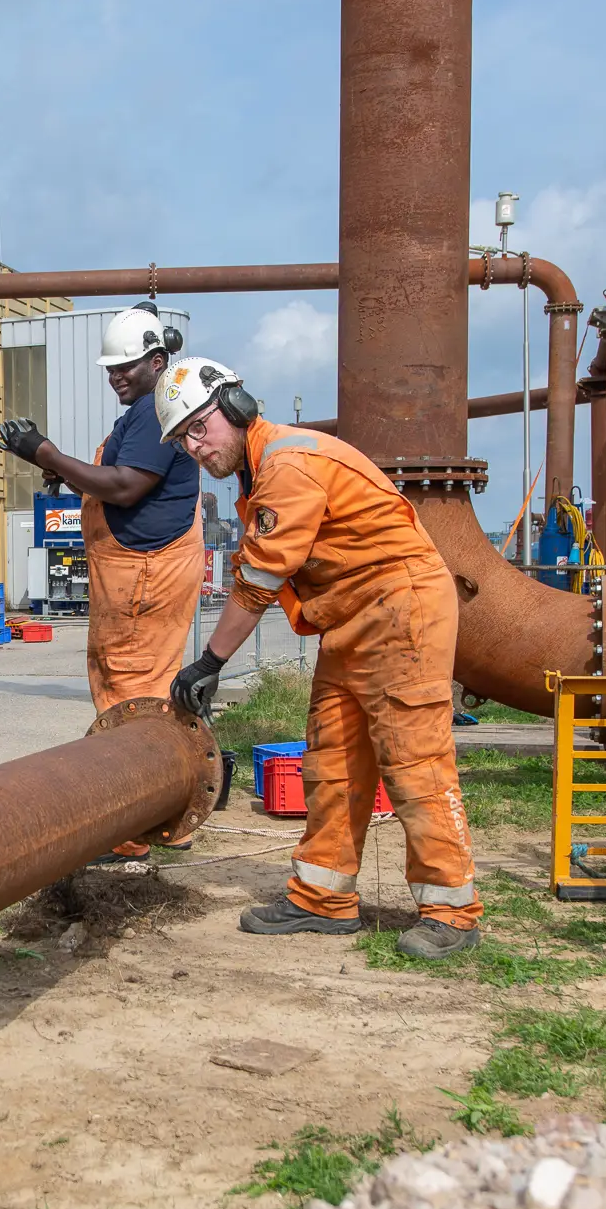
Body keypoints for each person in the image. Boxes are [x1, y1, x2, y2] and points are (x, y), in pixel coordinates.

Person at [157, 357, 481, 959]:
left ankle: (452, 912)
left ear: (235, 407)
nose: (196, 447)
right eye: (183, 439)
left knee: (415, 762)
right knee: (332, 758)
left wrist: (209, 662)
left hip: (399, 608)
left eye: (200, 428)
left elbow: (258, 578)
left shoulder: (287, 464)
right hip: (353, 617)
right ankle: (323, 898)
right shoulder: (264, 472)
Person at [0, 302, 205, 860]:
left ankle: (139, 819)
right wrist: (59, 466)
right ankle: (159, 806)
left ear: (158, 362)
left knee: (133, 691)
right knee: (131, 681)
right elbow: (114, 475)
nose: (116, 376)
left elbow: (124, 485)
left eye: (127, 367)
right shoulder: (143, 410)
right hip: (136, 569)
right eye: (110, 368)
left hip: (144, 571)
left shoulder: (155, 411)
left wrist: (45, 451)